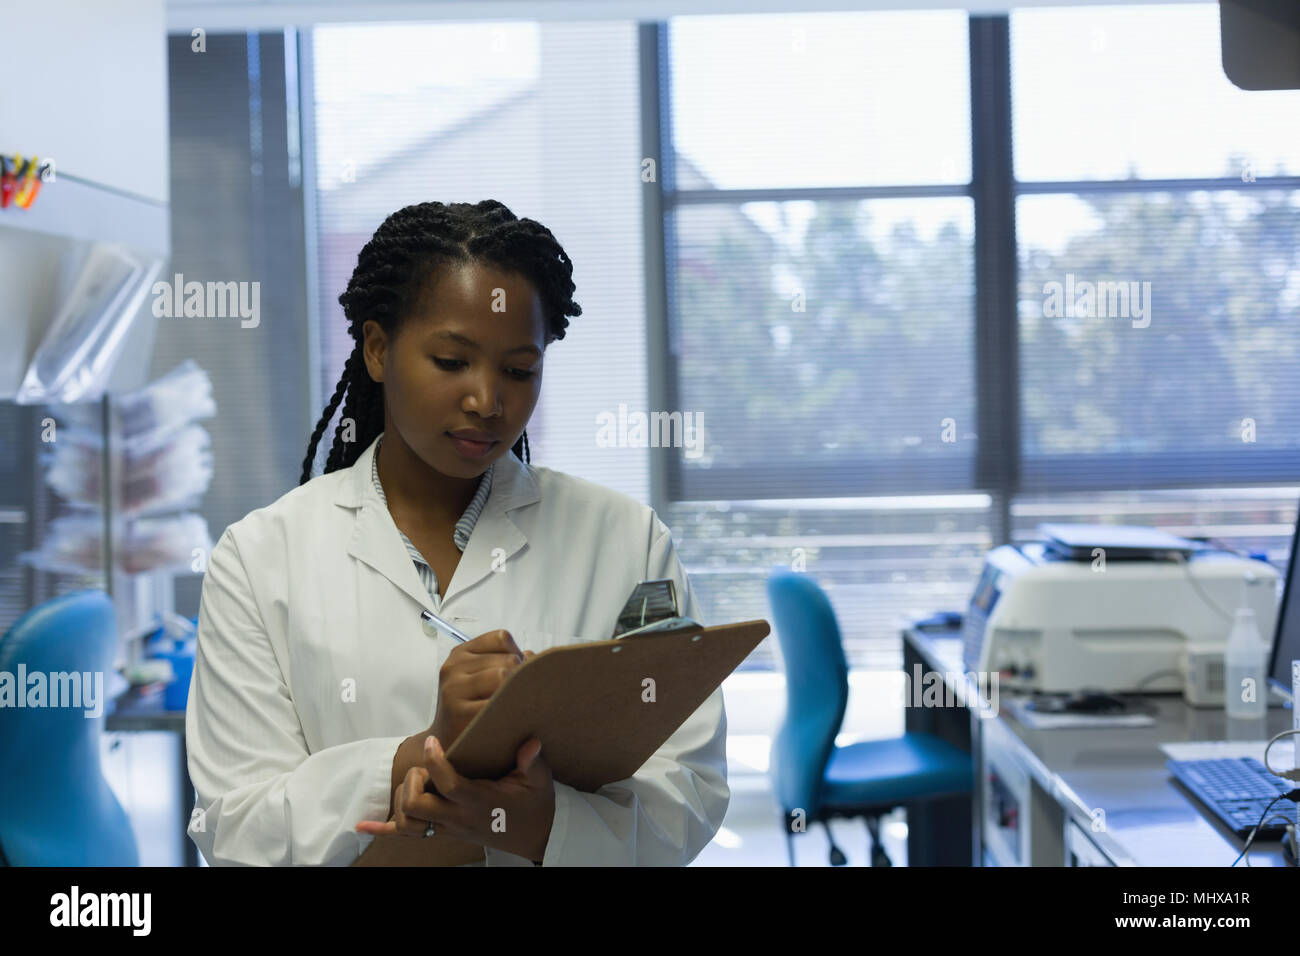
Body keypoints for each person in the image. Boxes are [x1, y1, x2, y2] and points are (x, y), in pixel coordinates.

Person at [184, 200, 729, 866]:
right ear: (378, 349)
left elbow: (691, 786)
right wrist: (417, 758)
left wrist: (542, 826)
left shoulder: (625, 541)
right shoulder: (260, 558)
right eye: (450, 361)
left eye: (519, 370)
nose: (487, 400)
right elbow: (236, 826)